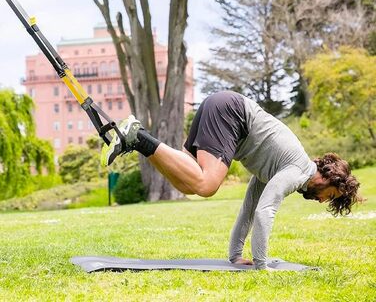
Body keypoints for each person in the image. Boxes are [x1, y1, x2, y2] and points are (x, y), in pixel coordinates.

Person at [101, 91, 361, 270]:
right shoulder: (298, 170)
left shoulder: (278, 168)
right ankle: (137, 136)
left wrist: (236, 256)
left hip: (220, 106)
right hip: (231, 113)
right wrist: (262, 264)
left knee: (187, 182)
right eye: (331, 195)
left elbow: (249, 209)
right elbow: (264, 212)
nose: (322, 200)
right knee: (206, 185)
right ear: (329, 178)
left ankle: (137, 140)